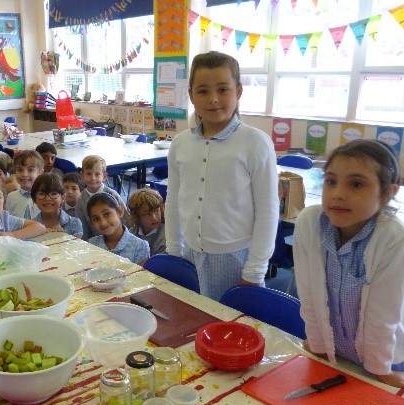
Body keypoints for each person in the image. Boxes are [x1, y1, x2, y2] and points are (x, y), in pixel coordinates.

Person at [165, 51, 278, 300]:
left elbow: (268, 212)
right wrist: (173, 251)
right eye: (203, 91)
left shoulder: (256, 143)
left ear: (238, 91)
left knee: (230, 330)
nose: (214, 99)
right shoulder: (181, 143)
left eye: (223, 89)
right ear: (191, 95)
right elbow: (173, 200)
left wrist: (255, 271)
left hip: (237, 260)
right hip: (189, 256)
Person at [294, 139, 404, 388]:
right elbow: (308, 294)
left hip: (383, 357)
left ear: (388, 194)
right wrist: (319, 344)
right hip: (334, 350)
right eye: (331, 181)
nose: (338, 193)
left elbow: (383, 315)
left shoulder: (392, 238)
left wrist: (379, 369)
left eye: (356, 184)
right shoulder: (310, 224)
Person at [75, 155, 129, 240]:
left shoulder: (113, 195)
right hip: (96, 243)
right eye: (88, 174)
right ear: (82, 175)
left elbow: (126, 220)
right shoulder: (80, 200)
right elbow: (83, 228)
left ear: (104, 176)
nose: (93, 178)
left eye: (97, 174)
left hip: (119, 239)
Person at [87, 192, 149, 265]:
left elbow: (140, 276)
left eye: (106, 214)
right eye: (96, 219)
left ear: (120, 212)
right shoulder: (92, 244)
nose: (103, 223)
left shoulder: (139, 247)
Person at [31, 173, 82, 238]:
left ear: (63, 197)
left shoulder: (74, 224)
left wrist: (62, 238)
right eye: (41, 194)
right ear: (34, 199)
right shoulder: (31, 226)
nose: (47, 198)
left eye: (53, 194)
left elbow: (78, 247)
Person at [6, 150, 44, 219]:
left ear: (40, 173)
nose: (24, 174)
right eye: (20, 170)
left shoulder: (46, 198)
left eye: (30, 170)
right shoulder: (11, 197)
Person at [128, 187, 166, 256]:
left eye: (157, 211)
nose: (154, 218)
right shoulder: (132, 232)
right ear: (137, 215)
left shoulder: (165, 237)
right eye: (148, 214)